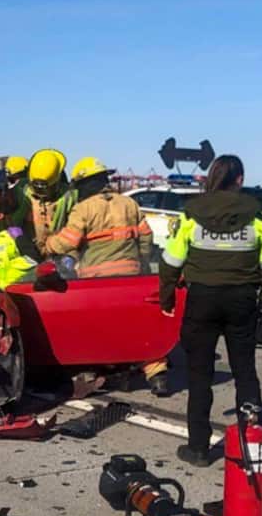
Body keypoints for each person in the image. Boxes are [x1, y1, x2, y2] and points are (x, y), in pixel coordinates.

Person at [158, 155, 262, 466]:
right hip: (242, 300)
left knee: (200, 376)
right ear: (239, 179)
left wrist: (167, 297)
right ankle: (249, 445)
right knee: (245, 372)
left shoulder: (191, 215)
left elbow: (170, 262)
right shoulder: (257, 218)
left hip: (202, 300)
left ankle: (198, 448)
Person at [46, 157, 169, 395]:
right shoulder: (128, 204)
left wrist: (48, 245)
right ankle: (157, 375)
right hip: (131, 275)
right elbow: (145, 238)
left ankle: (99, 371)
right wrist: (141, 263)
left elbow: (67, 242)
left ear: (84, 184)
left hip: (96, 280)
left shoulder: (83, 209)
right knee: (140, 327)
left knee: (96, 329)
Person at [19, 148, 77, 255]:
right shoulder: (21, 194)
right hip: (28, 255)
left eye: (46, 188)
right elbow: (12, 224)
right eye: (36, 188)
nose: (41, 192)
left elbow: (75, 234)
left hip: (59, 255)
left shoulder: (70, 197)